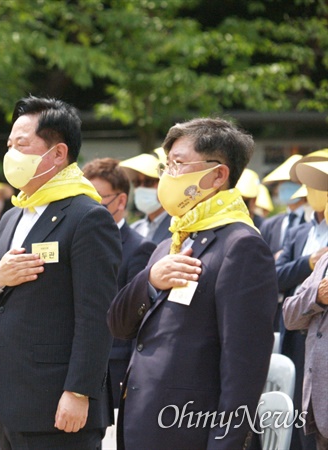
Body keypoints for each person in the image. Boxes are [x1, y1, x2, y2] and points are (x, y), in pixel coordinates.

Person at [108, 118, 277, 450]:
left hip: (189, 432)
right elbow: (119, 324)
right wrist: (150, 279)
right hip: (143, 424)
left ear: (218, 174)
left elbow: (244, 367)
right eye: (167, 165)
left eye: (179, 164)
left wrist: (225, 443)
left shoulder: (241, 245)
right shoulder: (173, 240)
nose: (168, 175)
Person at [0, 96, 122, 450]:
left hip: (58, 403)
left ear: (57, 154)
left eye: (21, 145)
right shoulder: (13, 215)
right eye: (9, 145)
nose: (11, 154)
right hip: (10, 401)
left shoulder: (87, 216)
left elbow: (96, 315)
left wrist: (79, 391)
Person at [82, 157, 155, 408]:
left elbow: (137, 316)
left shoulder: (139, 248)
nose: (89, 206)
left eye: (97, 197)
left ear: (121, 200)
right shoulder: (78, 242)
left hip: (115, 367)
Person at [276, 149, 328, 450]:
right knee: (300, 408)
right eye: (310, 185)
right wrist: (308, 264)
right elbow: (277, 279)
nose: (314, 192)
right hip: (300, 335)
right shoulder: (299, 234)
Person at [119, 152, 173, 244]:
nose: (141, 187)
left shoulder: (179, 228)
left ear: (165, 183)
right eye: (136, 183)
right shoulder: (134, 229)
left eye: (148, 182)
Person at [260, 155, 307, 258]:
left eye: (292, 182)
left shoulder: (313, 222)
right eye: (281, 182)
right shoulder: (269, 225)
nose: (284, 186)